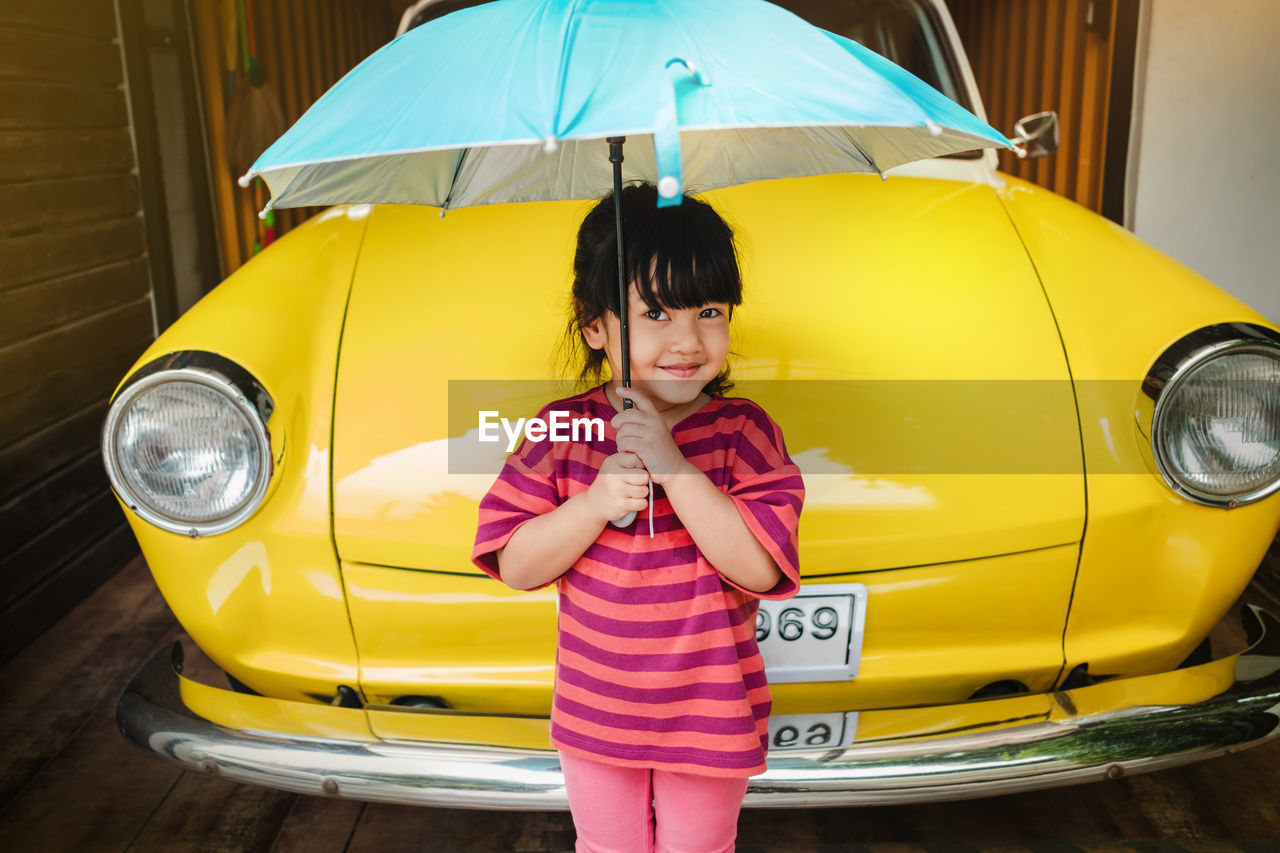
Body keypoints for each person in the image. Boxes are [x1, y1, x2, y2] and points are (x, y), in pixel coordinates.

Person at [471, 182, 804, 853]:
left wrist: (675, 467)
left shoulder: (745, 432)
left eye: (709, 310)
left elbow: (760, 568)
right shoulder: (561, 429)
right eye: (656, 313)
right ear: (594, 324)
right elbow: (516, 563)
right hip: (597, 719)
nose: (688, 340)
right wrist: (592, 505)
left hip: (710, 717)